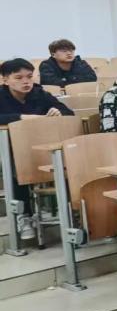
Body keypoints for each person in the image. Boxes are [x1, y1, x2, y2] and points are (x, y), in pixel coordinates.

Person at [0, 59, 74, 241]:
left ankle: (70, 211)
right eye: (19, 78)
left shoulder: (39, 93)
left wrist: (58, 112)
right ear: (5, 80)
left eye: (29, 76)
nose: (26, 81)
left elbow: (68, 113)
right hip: (9, 149)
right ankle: (24, 216)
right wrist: (20, 117)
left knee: (68, 161)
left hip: (40, 146)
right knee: (18, 165)